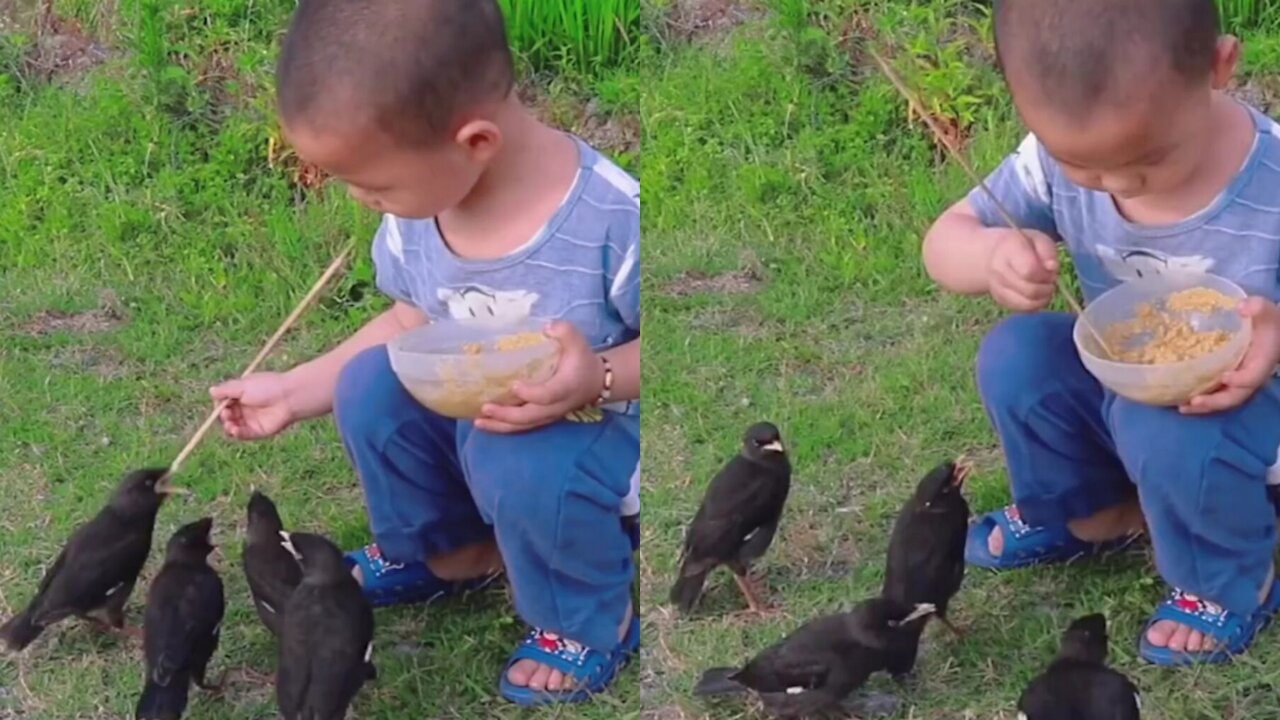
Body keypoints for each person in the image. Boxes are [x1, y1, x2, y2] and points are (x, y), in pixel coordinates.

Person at [209, 0, 640, 705]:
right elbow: (412, 319)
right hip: (488, 410)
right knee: (368, 386)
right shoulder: (422, 215)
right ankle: (452, 553)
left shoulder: (612, 220)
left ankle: (588, 620)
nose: (361, 200)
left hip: (596, 432)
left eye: (373, 183)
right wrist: (293, 391)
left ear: (474, 142)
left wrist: (598, 376)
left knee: (519, 455)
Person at [923, 0, 1280, 666]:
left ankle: (1230, 579)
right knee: (1017, 356)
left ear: (1219, 67)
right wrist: (991, 258)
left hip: (1249, 415)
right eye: (1083, 167)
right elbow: (944, 241)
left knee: (1164, 426)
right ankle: (1094, 512)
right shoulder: (1050, 162)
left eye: (1147, 160)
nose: (1114, 184)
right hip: (1128, 384)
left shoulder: (1273, 183)